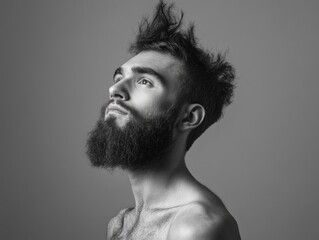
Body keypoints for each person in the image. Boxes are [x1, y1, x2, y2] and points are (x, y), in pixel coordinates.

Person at [86, 1, 241, 239]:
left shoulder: (195, 228)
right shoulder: (120, 224)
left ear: (188, 117)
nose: (114, 89)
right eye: (119, 77)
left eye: (144, 82)